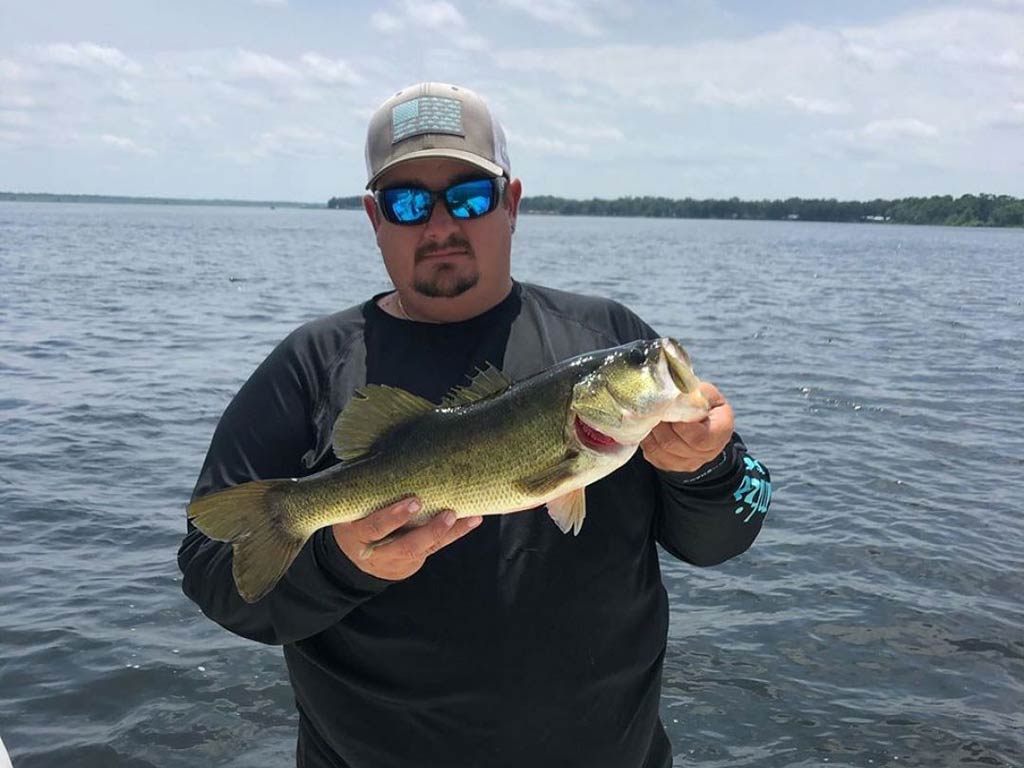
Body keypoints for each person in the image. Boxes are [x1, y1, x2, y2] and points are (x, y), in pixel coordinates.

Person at [179, 81, 771, 768]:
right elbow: (216, 577)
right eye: (407, 203)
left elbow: (730, 530)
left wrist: (706, 466)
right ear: (375, 218)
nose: (440, 226)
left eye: (468, 195)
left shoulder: (606, 334)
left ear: (511, 203)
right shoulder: (311, 368)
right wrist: (338, 562)